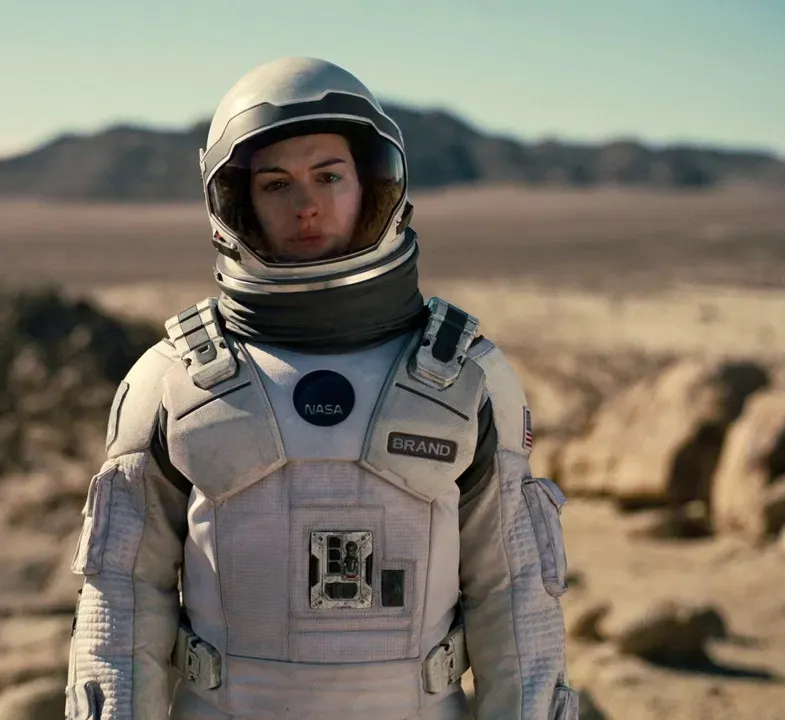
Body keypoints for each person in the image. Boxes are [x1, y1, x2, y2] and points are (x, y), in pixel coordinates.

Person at [64, 56, 578, 720]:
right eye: (275, 183)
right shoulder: (171, 383)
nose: (306, 205)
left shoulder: (468, 380)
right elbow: (123, 601)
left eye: (329, 177)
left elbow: (515, 600)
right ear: (235, 202)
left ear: (372, 186)